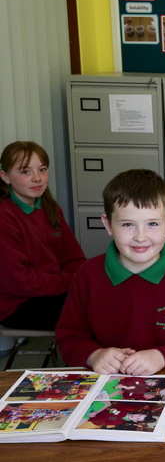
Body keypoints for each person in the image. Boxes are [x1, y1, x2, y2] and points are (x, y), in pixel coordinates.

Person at [56, 169, 165, 375]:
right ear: (108, 224)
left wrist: (162, 356)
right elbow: (69, 337)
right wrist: (94, 355)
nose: (140, 237)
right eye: (127, 224)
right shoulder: (88, 274)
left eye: (152, 224)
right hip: (108, 386)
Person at [0, 141, 85, 330]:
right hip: (19, 305)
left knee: (113, 297)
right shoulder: (4, 216)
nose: (37, 178)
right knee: (99, 313)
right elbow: (18, 281)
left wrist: (80, 280)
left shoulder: (49, 208)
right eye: (25, 171)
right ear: (5, 177)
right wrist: (71, 282)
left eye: (42, 169)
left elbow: (73, 257)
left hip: (53, 291)